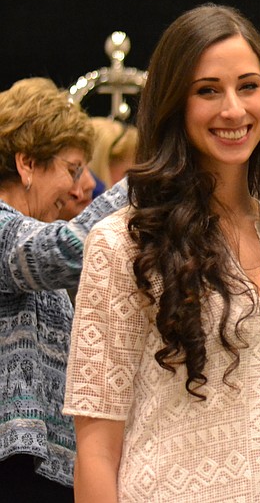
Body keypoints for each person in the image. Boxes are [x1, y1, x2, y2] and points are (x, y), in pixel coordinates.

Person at [63, 4, 260, 502]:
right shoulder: (122, 244)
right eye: (208, 90)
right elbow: (96, 452)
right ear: (173, 104)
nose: (233, 109)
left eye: (248, 86)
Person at [0, 77, 128, 502]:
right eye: (71, 170)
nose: (80, 186)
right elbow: (68, 250)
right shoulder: (5, 230)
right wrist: (146, 181)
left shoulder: (27, 234)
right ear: (26, 164)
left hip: (41, 470)